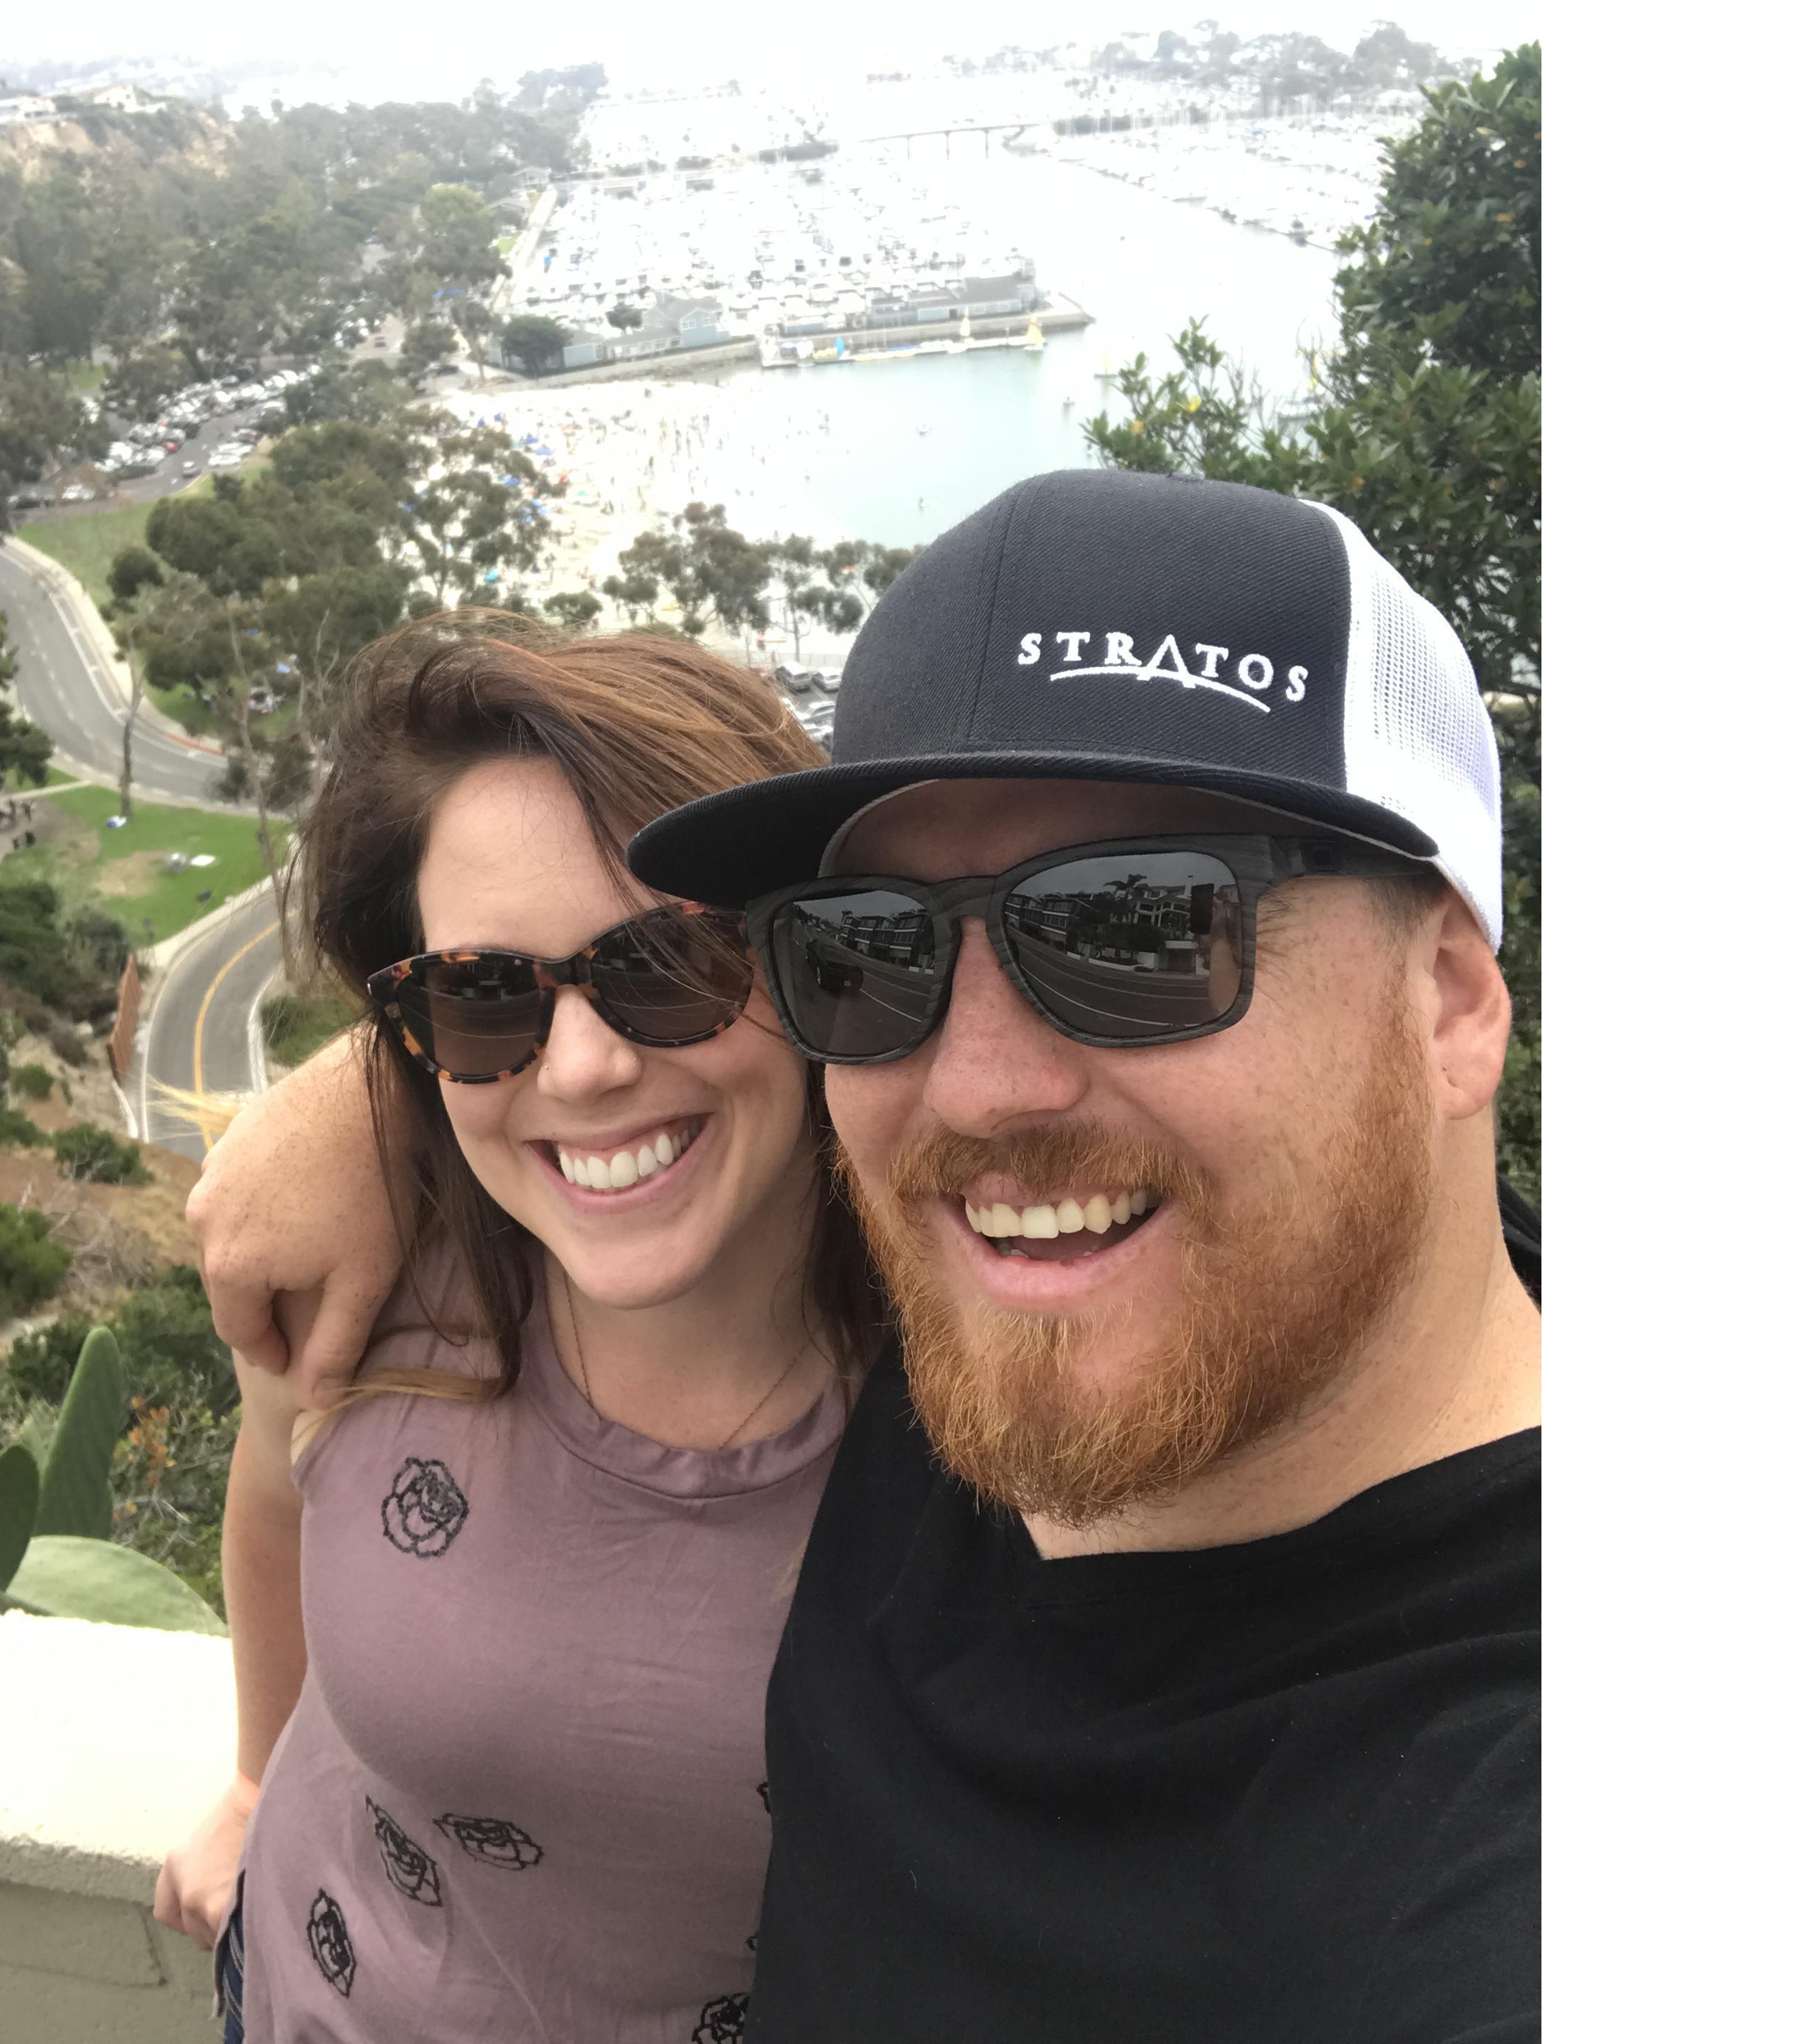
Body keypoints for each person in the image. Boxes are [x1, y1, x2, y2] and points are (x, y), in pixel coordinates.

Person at [189, 470, 1541, 2040]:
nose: (972, 1088)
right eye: (874, 948)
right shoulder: (963, 1305)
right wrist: (386, 1080)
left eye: (1131, 927)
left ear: (1449, 995)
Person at [156, 618, 881, 2041]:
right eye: (485, 993)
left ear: (806, 955)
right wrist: (251, 1778)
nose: (587, 1063)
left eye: (669, 965)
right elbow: (271, 1497)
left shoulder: (990, 1373)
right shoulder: (367, 1268)